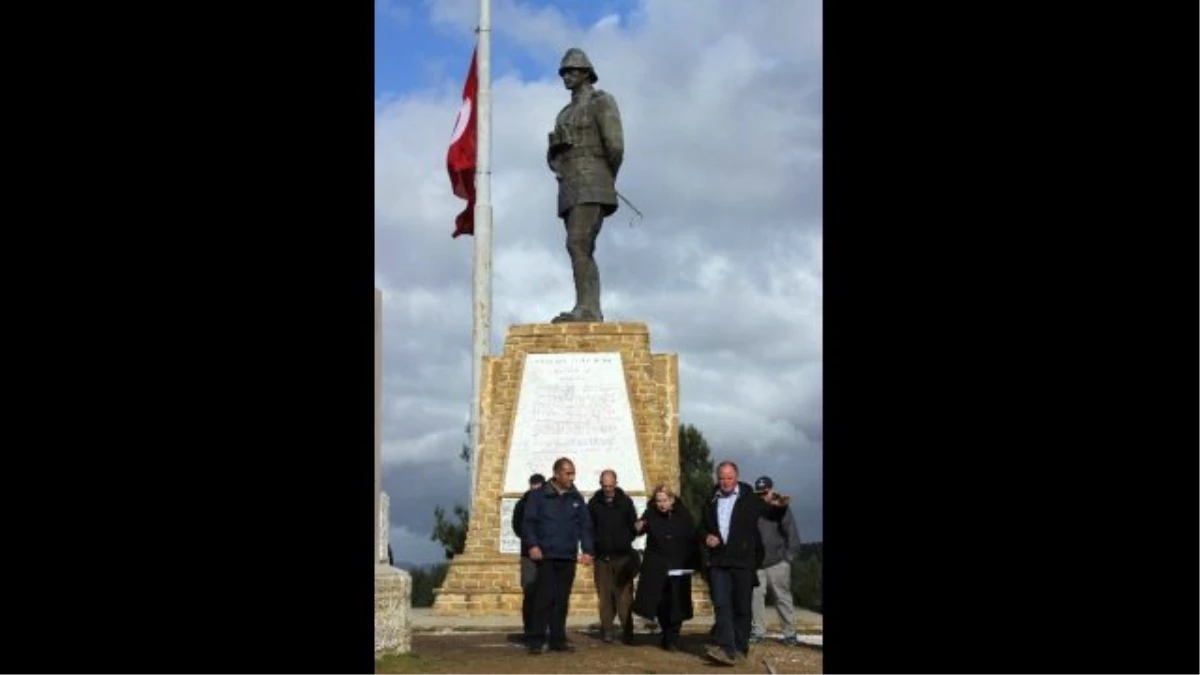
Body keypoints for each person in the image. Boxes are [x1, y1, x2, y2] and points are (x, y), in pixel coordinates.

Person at [545, 47, 624, 324]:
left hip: (594, 179)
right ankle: (588, 307)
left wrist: (604, 177)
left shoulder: (601, 101)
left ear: (586, 73)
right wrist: (556, 150)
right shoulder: (564, 113)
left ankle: (587, 308)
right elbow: (554, 159)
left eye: (573, 70)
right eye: (564, 71)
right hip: (569, 183)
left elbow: (615, 145)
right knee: (579, 247)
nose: (567, 75)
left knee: (578, 241)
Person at [702, 461, 791, 666]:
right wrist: (706, 536)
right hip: (718, 561)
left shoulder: (749, 497)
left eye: (729, 478)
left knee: (742, 607)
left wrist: (781, 506)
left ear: (737, 477)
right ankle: (727, 649)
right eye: (722, 478)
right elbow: (701, 527)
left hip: (743, 562)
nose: (725, 482)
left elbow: (770, 513)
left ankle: (740, 647)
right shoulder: (710, 499)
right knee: (722, 604)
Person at [521, 457, 595, 654]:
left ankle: (558, 640)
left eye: (573, 473)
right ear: (556, 474)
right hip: (546, 556)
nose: (572, 477)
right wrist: (533, 545)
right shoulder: (538, 496)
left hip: (568, 556)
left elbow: (585, 526)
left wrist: (587, 550)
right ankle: (536, 640)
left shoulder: (576, 498)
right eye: (568, 473)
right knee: (543, 599)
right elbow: (528, 523)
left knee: (562, 600)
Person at [632, 484, 701, 652]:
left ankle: (673, 636)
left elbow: (692, 538)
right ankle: (666, 634)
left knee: (678, 603)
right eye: (658, 501)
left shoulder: (683, 516)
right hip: (658, 566)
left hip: (679, 565)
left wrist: (694, 562)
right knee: (661, 603)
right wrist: (639, 527)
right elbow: (641, 528)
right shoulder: (651, 514)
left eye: (664, 500)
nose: (661, 504)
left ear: (672, 500)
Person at [749, 475, 803, 646]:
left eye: (765, 492)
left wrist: (788, 559)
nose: (762, 496)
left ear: (771, 490)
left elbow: (792, 534)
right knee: (756, 598)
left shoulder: (781, 508)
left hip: (778, 562)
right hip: (757, 563)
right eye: (758, 494)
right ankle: (757, 631)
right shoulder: (752, 509)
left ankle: (790, 633)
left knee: (782, 597)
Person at [587, 468, 639, 644]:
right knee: (605, 597)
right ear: (600, 484)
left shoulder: (626, 502)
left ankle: (628, 631)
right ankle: (607, 630)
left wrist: (623, 541)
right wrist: (594, 547)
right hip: (601, 558)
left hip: (623, 557)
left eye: (611, 485)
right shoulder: (593, 504)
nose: (608, 489)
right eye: (605, 485)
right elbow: (589, 529)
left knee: (624, 597)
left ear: (616, 484)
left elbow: (633, 528)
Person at [511, 473, 546, 642]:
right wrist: (531, 542)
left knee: (547, 593)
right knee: (530, 591)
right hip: (528, 555)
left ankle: (544, 629)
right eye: (533, 490)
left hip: (548, 553)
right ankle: (529, 629)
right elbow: (517, 527)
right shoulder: (522, 504)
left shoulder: (550, 502)